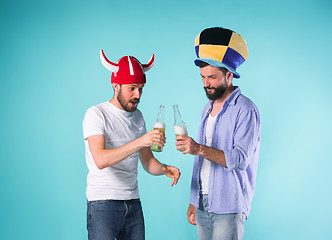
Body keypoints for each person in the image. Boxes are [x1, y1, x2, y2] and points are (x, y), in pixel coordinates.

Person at [83, 50, 181, 240]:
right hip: (103, 203)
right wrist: (140, 141)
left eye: (141, 88)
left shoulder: (138, 117)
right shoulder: (96, 114)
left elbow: (147, 161)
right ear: (116, 85)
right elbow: (101, 160)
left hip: (133, 203)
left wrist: (164, 168)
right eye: (132, 88)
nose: (138, 95)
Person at [175, 27, 261, 240]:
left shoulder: (246, 109)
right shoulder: (208, 108)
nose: (206, 83)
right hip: (203, 203)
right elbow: (200, 161)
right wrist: (194, 200)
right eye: (203, 77)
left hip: (229, 204)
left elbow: (240, 159)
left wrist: (198, 148)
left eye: (212, 77)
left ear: (229, 75)